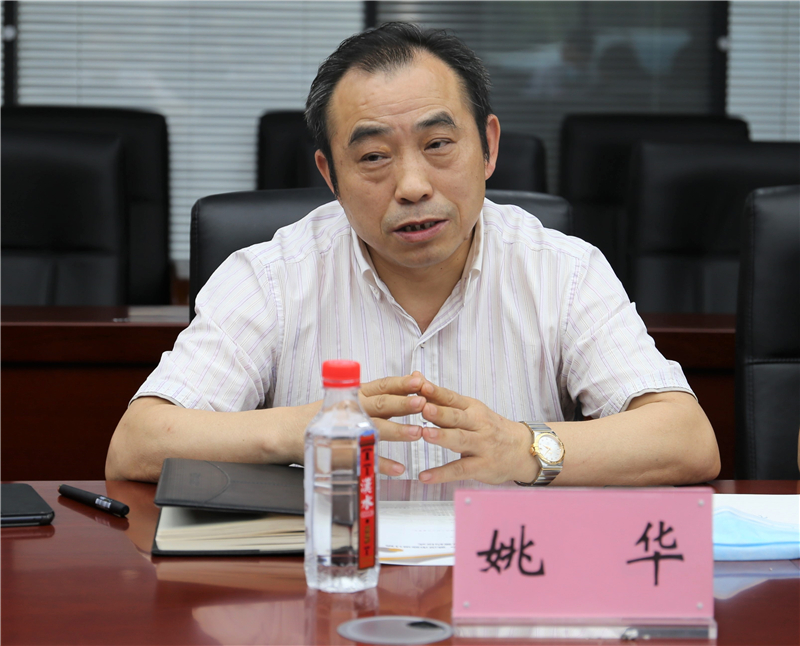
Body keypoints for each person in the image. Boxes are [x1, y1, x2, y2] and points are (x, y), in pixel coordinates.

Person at [106, 23, 720, 486]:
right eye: (374, 157)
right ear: (330, 174)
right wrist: (304, 428)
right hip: (328, 580)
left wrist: (523, 448)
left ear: (488, 147)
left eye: (438, 144)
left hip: (501, 585)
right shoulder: (271, 277)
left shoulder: (563, 271)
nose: (412, 185)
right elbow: (137, 444)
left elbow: (687, 439)